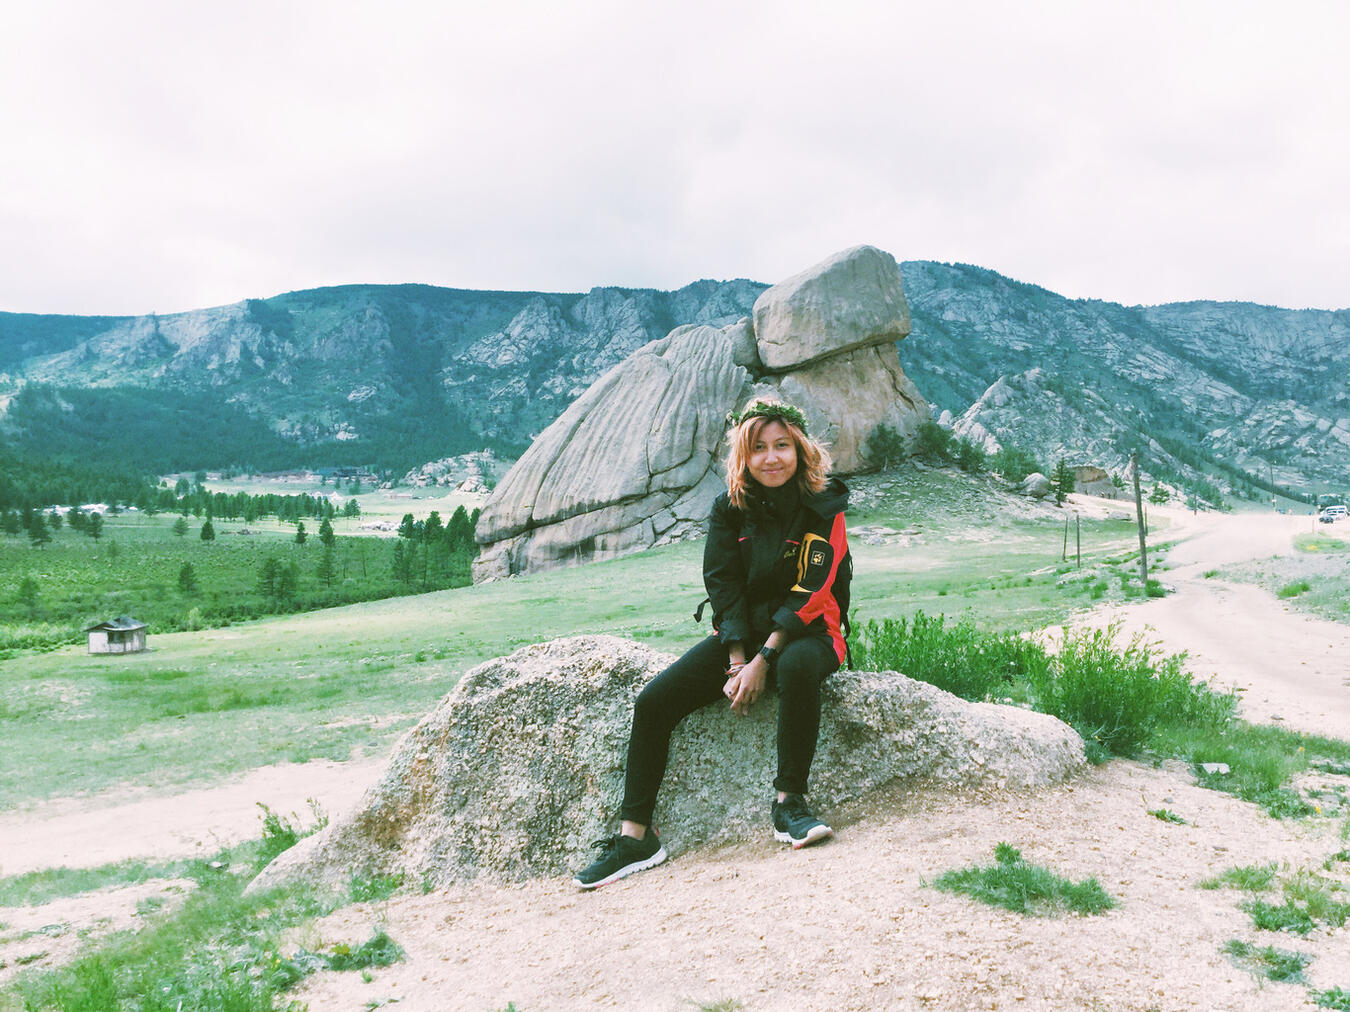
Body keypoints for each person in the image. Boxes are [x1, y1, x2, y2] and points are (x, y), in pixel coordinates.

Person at [574, 397, 851, 889]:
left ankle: (790, 805)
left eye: (782, 445)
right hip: (744, 635)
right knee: (653, 702)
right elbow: (723, 585)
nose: (771, 458)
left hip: (812, 630)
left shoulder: (824, 503)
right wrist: (737, 658)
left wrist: (764, 660)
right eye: (758, 448)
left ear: (801, 449)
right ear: (742, 457)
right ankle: (636, 837)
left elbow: (813, 588)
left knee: (796, 669)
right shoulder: (729, 508)